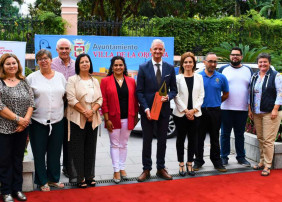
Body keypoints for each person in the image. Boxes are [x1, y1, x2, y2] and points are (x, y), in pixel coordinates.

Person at [136, 39, 177, 182]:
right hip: (148, 112)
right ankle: (146, 169)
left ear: (164, 51)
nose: (158, 51)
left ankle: (161, 168)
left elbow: (174, 90)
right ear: (151, 50)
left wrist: (168, 96)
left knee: (162, 141)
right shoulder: (143, 67)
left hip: (164, 111)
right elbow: (139, 92)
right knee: (147, 141)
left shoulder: (169, 68)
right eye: (155, 49)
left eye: (160, 49)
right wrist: (146, 108)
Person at [26, 49, 66, 191]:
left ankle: (53, 179)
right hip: (38, 121)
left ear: (51, 60)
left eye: (46, 58)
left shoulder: (60, 77)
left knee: (55, 152)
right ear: (37, 62)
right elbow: (27, 100)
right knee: (39, 152)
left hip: (57, 120)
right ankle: (42, 181)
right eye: (40, 59)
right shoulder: (31, 78)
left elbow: (64, 96)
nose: (43, 61)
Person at [0, 53, 34, 202]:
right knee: (4, 160)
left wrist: (25, 121)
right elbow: (0, 106)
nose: (12, 66)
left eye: (14, 63)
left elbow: (31, 102)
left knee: (17, 159)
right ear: (2, 66)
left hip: (22, 128)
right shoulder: (0, 82)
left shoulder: (24, 80)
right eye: (8, 64)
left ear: (18, 65)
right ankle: (6, 191)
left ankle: (17, 189)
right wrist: (18, 119)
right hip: (4, 128)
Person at [66, 53, 103, 188]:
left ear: (90, 64)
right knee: (77, 149)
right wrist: (85, 112)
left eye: (87, 61)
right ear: (78, 65)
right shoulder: (72, 80)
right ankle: (79, 177)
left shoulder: (95, 81)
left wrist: (92, 112)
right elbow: (71, 99)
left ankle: (89, 176)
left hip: (93, 119)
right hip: (77, 118)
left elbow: (100, 99)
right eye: (82, 62)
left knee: (90, 148)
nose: (85, 64)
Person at [100, 56, 139, 183]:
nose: (118, 67)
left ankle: (122, 168)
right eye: (115, 65)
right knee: (115, 144)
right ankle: (116, 170)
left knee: (124, 144)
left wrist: (135, 117)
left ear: (124, 66)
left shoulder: (131, 81)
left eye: (120, 65)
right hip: (113, 118)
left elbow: (135, 100)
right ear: (112, 67)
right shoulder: (105, 81)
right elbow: (104, 101)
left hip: (128, 117)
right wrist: (106, 119)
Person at [194, 52, 229, 172]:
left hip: (215, 112)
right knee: (199, 137)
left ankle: (217, 162)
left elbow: (226, 94)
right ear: (205, 62)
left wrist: (217, 101)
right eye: (210, 61)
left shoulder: (221, 77)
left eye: (215, 62)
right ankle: (198, 161)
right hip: (200, 111)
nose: (213, 64)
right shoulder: (198, 77)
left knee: (215, 138)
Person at [249, 53, 282, 176]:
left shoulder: (276, 76)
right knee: (261, 138)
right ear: (257, 63)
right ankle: (262, 161)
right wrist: (250, 109)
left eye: (265, 62)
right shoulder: (254, 76)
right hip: (257, 112)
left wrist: (275, 108)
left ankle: (268, 165)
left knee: (268, 140)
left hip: (270, 112)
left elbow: (280, 93)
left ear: (269, 62)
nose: (262, 64)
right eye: (260, 62)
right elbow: (250, 93)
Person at [218, 47, 253, 167]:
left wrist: (250, 107)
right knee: (225, 134)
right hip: (225, 108)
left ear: (241, 57)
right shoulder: (223, 69)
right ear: (230, 56)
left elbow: (251, 90)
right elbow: (217, 87)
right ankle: (223, 157)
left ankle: (241, 157)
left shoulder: (248, 70)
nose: (235, 57)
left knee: (239, 134)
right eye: (233, 55)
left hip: (242, 109)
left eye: (237, 55)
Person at [173, 52, 204, 176]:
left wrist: (194, 110)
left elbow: (202, 95)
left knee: (193, 139)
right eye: (185, 62)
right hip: (181, 114)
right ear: (182, 64)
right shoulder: (177, 78)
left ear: (194, 64)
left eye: (190, 62)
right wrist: (186, 110)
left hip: (195, 114)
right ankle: (181, 163)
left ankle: (190, 163)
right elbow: (175, 95)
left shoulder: (199, 77)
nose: (188, 64)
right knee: (180, 139)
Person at [51, 38, 75, 177]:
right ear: (57, 49)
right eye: (62, 48)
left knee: (69, 137)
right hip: (55, 103)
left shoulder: (76, 63)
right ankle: (53, 168)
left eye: (67, 48)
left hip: (72, 105)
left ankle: (68, 167)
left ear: (70, 50)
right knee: (55, 138)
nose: (64, 51)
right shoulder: (51, 63)